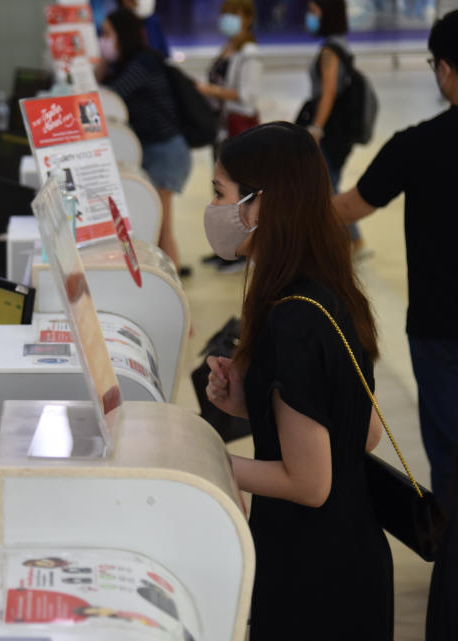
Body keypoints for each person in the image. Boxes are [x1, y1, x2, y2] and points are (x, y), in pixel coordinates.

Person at [204, 122, 392, 640]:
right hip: (353, 555)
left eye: (219, 193)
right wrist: (255, 404)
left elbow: (310, 484)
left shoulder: (291, 322)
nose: (213, 209)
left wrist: (203, 463)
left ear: (260, 205)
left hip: (312, 576)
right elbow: (363, 430)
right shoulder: (329, 290)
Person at [333, 11, 458, 506]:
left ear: (445, 69)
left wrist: (282, 200)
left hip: (440, 327)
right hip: (438, 332)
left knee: (450, 467)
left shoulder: (416, 146)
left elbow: (346, 208)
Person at [98, 8, 191, 275]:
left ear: (122, 34)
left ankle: (173, 285)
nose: (102, 40)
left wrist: (101, 67)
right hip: (155, 149)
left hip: (166, 151)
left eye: (106, 34)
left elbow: (111, 98)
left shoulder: (143, 63)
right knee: (159, 224)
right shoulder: (131, 62)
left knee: (162, 226)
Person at [197, 0, 263, 274]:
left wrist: (210, 91)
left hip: (240, 128)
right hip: (223, 127)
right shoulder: (230, 48)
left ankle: (239, 250)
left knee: (238, 192)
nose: (228, 20)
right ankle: (224, 247)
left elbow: (247, 96)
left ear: (248, 18)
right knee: (221, 186)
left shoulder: (250, 53)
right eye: (225, 15)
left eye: (234, 14)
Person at [300, 0, 368, 257]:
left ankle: (347, 243)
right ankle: (352, 241)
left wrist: (316, 128)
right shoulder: (339, 46)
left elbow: (328, 92)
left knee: (327, 187)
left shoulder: (331, 51)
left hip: (331, 130)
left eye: (314, 11)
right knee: (329, 185)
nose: (310, 16)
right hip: (338, 128)